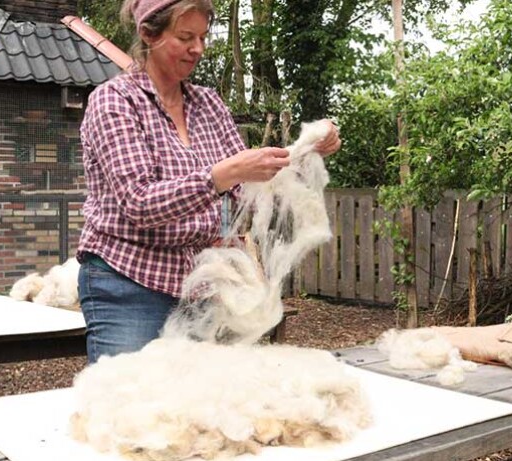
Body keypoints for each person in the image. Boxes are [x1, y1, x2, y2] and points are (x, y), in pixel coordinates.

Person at [76, 0, 341, 364]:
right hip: (128, 281)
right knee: (128, 407)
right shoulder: (115, 102)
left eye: (202, 37)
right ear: (148, 34)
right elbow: (139, 203)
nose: (198, 48)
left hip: (197, 286)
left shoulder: (208, 105)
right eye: (185, 37)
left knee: (192, 407)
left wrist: (309, 150)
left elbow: (254, 183)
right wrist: (223, 174)